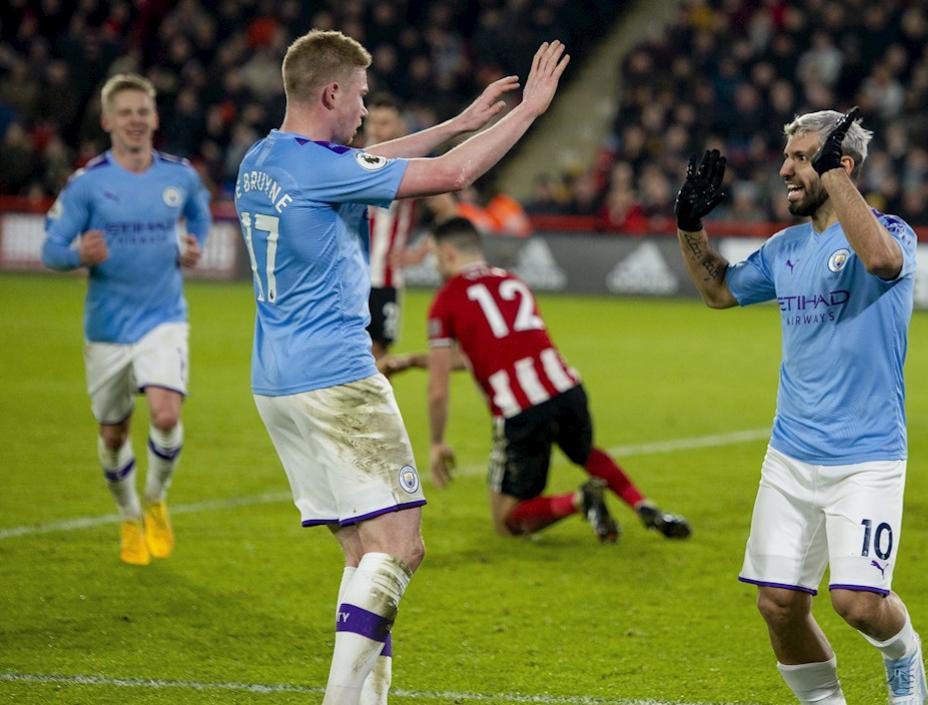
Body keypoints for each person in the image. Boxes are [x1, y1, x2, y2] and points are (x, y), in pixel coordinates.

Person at [233, 29, 568, 705]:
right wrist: (529, 111)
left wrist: (460, 122)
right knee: (400, 546)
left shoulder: (263, 159)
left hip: (276, 382)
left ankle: (370, 699)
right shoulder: (319, 168)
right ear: (332, 93)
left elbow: (369, 160)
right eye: (360, 96)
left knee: (365, 554)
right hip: (336, 379)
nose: (365, 111)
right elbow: (453, 177)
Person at [674, 107, 927, 705]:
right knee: (778, 603)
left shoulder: (892, 233)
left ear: (841, 164)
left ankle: (904, 654)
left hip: (866, 455)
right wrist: (689, 225)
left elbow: (882, 263)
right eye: (787, 157)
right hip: (791, 454)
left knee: (858, 603)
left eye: (800, 158)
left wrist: (835, 176)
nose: (785, 170)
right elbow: (717, 290)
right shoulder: (785, 248)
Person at [388, 216, 691, 543]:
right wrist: (414, 361)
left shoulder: (446, 300)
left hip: (521, 409)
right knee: (585, 453)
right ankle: (643, 504)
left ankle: (580, 500)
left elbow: (438, 391)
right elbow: (488, 352)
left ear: (448, 254)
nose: (435, 266)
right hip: (566, 389)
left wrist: (436, 443)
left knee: (506, 521)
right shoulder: (512, 281)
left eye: (434, 257)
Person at [41, 73, 210, 566]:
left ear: (154, 118)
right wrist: (77, 254)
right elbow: (50, 248)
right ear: (107, 120)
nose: (135, 120)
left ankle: (156, 500)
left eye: (143, 111)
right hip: (108, 328)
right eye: (126, 112)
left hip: (164, 317)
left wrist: (193, 245)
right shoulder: (88, 183)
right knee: (113, 435)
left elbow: (200, 216)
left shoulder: (179, 176)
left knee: (166, 414)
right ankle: (129, 513)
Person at [362, 94, 429, 360]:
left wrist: (420, 252)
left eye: (385, 123)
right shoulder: (352, 159)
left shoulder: (410, 166)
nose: (376, 130)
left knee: (379, 355)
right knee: (344, 354)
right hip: (348, 276)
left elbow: (447, 209)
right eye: (373, 122)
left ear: (400, 125)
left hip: (385, 279)